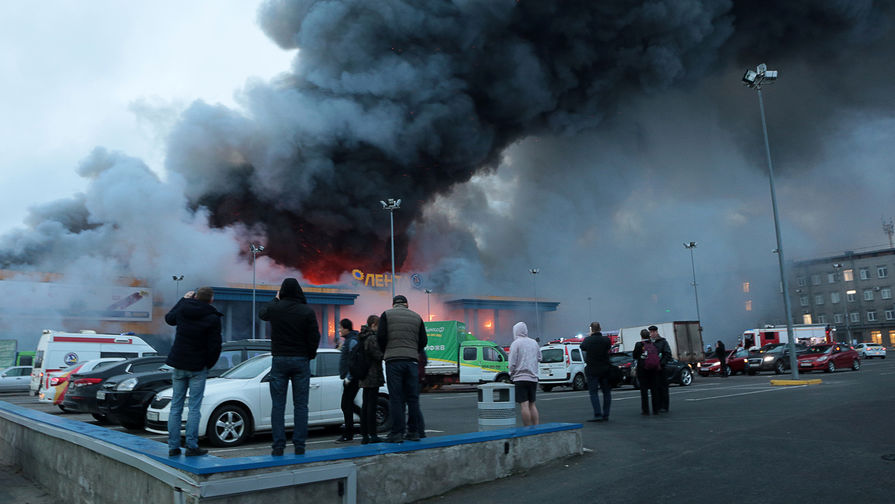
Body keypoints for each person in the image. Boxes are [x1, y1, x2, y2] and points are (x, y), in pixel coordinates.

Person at [259, 278, 320, 456]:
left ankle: (278, 446)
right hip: (301, 360)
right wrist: (310, 355)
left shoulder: (275, 308)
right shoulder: (307, 311)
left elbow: (262, 314)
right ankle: (299, 445)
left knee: (278, 405)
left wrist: (275, 299)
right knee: (301, 405)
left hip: (279, 359)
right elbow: (314, 336)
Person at [164, 287, 222, 457]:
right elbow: (215, 346)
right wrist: (207, 364)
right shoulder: (212, 317)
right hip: (198, 367)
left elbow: (169, 319)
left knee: (176, 406)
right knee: (194, 408)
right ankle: (191, 446)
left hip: (179, 363)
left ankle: (173, 447)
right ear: (211, 300)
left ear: (196, 297)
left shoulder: (183, 309)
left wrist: (183, 299)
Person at [377, 294, 427, 443]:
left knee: (396, 398)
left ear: (393, 304)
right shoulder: (417, 317)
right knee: (412, 398)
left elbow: (380, 337)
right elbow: (424, 340)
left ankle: (397, 433)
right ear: (407, 304)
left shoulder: (386, 315)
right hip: (412, 361)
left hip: (393, 361)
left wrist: (387, 350)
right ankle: (414, 432)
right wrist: (412, 350)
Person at [508, 321, 541, 426]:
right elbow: (540, 357)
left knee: (524, 405)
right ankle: (536, 426)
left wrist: (511, 372)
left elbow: (512, 362)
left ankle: (527, 428)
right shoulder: (534, 343)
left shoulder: (516, 343)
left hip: (520, 378)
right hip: (533, 378)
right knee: (532, 404)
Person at [357, 315, 384, 444]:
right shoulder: (372, 338)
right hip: (372, 375)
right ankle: (372, 434)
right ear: (373, 325)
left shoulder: (362, 336)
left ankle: (365, 435)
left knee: (366, 405)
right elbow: (378, 355)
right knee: (371, 406)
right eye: (378, 326)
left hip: (363, 375)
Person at [580, 321, 612, 422]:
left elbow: (582, 347)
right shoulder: (606, 340)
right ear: (600, 328)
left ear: (591, 329)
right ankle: (606, 414)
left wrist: (590, 335)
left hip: (592, 370)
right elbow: (609, 347)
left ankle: (597, 414)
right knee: (607, 392)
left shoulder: (588, 340)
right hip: (605, 369)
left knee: (593, 393)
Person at [336, 318, 360, 443]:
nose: (339, 330)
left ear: (346, 328)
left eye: (340, 328)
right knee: (349, 404)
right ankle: (365, 421)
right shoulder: (348, 340)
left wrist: (349, 377)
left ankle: (348, 433)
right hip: (350, 378)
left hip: (352, 379)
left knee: (346, 405)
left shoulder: (352, 341)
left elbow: (353, 360)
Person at [633, 329, 660, 415]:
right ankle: (656, 409)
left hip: (643, 369)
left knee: (644, 390)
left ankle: (646, 410)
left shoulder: (639, 344)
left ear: (641, 336)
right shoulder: (653, 344)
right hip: (653, 369)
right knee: (654, 390)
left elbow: (635, 356)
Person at [648, 325, 673, 412]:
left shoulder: (662, 342)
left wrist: (661, 363)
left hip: (661, 368)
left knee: (663, 387)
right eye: (651, 332)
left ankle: (664, 406)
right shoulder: (649, 342)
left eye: (654, 332)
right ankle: (657, 405)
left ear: (657, 332)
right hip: (652, 368)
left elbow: (668, 353)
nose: (652, 334)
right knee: (655, 388)